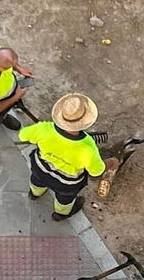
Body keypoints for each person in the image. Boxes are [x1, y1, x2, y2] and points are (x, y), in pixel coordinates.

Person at [17, 93, 115, 221]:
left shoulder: (43, 128)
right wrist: (112, 162)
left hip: (40, 169)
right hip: (66, 184)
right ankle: (60, 214)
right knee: (64, 200)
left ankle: (34, 194)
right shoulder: (88, 148)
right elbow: (96, 171)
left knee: (37, 182)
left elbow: (22, 135)